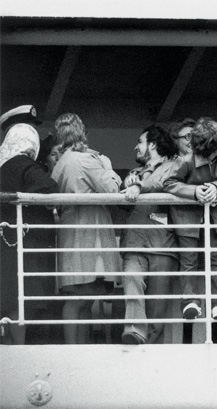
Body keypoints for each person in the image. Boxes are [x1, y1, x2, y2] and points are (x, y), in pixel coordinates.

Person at [51, 113, 122, 344]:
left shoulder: (61, 162)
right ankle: (74, 348)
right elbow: (112, 189)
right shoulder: (85, 159)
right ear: (81, 132)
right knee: (79, 298)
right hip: (89, 233)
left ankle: (79, 348)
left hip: (73, 230)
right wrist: (109, 167)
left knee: (82, 296)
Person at [164, 118, 217, 320]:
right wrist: (194, 192)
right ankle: (190, 302)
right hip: (187, 220)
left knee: (214, 260)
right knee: (189, 260)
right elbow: (169, 183)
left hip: (213, 218)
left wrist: (216, 188)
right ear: (212, 146)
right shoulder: (186, 161)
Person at [120, 125, 179, 344]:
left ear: (153, 144)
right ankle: (134, 332)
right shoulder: (134, 173)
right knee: (131, 279)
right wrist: (126, 187)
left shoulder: (175, 164)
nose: (137, 146)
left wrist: (139, 186)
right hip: (134, 240)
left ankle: (151, 351)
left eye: (140, 142)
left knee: (157, 307)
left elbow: (162, 183)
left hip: (162, 242)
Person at [0, 124, 58, 344]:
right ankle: (19, 346)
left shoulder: (2, 166)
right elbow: (50, 189)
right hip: (19, 245)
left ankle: (8, 344)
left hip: (5, 242)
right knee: (18, 299)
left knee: (7, 299)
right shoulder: (23, 165)